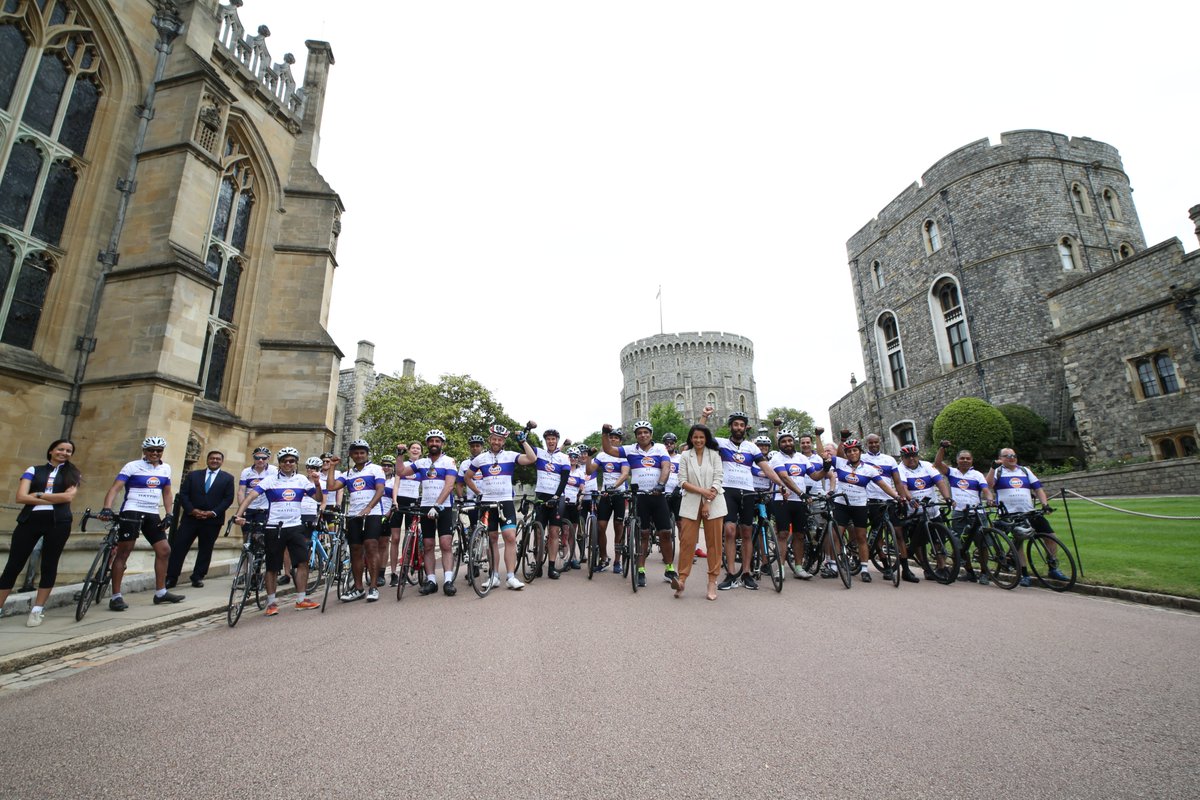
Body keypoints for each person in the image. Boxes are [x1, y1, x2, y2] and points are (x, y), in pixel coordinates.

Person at [697, 407, 804, 591]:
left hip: (748, 491)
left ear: (745, 428)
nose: (738, 427)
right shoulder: (722, 444)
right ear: (731, 426)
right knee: (730, 530)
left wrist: (781, 484)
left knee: (747, 532)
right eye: (736, 424)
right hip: (728, 490)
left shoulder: (751, 447)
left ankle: (746, 573)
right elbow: (699, 434)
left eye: (742, 425)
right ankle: (731, 573)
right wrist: (705, 416)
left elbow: (767, 468)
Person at [232, 447, 323, 614]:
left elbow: (317, 498)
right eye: (284, 461)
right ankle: (271, 603)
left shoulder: (302, 480)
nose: (288, 464)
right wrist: (239, 514)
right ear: (279, 463)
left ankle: (301, 599)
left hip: (295, 526)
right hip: (274, 527)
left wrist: (316, 483)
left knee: (302, 562)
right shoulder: (270, 480)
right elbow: (250, 496)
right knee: (272, 567)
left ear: (296, 463)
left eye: (291, 461)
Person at [0, 440, 80, 626]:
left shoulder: (73, 473)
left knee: (49, 564)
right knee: (13, 565)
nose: (64, 453)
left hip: (58, 522)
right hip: (30, 521)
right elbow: (20, 497)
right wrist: (54, 499)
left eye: (68, 451)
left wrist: (37, 495)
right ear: (51, 450)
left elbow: (68, 497)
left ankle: (37, 610)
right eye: (60, 449)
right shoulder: (34, 470)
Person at [99, 436, 184, 609]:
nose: (154, 453)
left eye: (158, 450)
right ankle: (116, 596)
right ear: (144, 451)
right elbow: (115, 488)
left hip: (152, 513)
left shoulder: (165, 468)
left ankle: (161, 593)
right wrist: (107, 507)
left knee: (164, 550)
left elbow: (167, 493)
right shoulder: (132, 466)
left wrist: (169, 514)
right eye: (151, 450)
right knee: (124, 552)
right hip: (132, 510)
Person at [601, 420, 675, 588]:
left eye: (646, 432)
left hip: (658, 495)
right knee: (644, 534)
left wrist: (661, 484)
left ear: (651, 434)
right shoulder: (630, 449)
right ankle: (640, 569)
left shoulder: (660, 449)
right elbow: (608, 449)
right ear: (636, 436)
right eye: (639, 433)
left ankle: (670, 568)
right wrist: (605, 433)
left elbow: (666, 466)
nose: (643, 435)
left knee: (665, 533)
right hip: (640, 497)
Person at [464, 423, 538, 590]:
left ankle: (511, 576)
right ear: (490, 439)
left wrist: (523, 441)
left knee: (510, 537)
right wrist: (478, 492)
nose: (496, 442)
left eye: (500, 440)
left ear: (504, 442)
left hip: (505, 501)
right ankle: (494, 575)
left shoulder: (511, 456)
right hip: (487, 503)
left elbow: (532, 459)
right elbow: (468, 477)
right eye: (494, 439)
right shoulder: (480, 458)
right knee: (491, 539)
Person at [826, 438, 903, 582]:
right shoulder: (840, 463)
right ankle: (834, 567)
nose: (852, 453)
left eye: (855, 450)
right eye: (849, 451)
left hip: (859, 505)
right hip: (841, 505)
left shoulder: (869, 469)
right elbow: (823, 455)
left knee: (861, 537)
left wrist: (897, 496)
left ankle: (864, 569)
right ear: (846, 453)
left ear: (860, 452)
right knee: (837, 536)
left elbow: (883, 485)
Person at [987, 447, 1066, 586]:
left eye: (1013, 455)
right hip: (1010, 514)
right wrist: (993, 468)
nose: (1011, 457)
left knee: (1051, 537)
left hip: (1029, 511)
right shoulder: (998, 471)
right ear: (1000, 458)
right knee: (1019, 543)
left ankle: (1053, 567)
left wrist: (1045, 504)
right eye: (1007, 456)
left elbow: (1038, 488)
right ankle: (1024, 573)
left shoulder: (1024, 471)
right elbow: (988, 485)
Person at [326, 440, 386, 601]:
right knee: (355, 550)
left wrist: (368, 507)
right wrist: (332, 466)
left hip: (373, 513)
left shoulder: (376, 469)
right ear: (351, 455)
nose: (359, 455)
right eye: (356, 453)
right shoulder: (347, 474)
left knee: (371, 546)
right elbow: (331, 487)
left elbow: (380, 490)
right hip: (353, 515)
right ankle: (358, 588)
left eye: (362, 453)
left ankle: (373, 587)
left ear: (367, 454)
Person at [401, 430, 458, 596]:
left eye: (437, 441)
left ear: (442, 444)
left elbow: (449, 486)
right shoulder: (421, 463)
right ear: (427, 444)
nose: (434, 443)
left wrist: (437, 505)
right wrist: (399, 455)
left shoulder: (449, 461)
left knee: (446, 544)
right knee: (428, 545)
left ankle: (448, 580)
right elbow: (401, 472)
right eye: (431, 441)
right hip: (426, 506)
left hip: (444, 506)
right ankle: (431, 580)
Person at [166, 450, 235, 589]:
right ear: (207, 460)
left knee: (206, 549)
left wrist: (213, 513)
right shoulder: (193, 475)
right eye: (212, 458)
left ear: (222, 461)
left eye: (217, 459)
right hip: (191, 518)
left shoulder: (228, 478)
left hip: (212, 521)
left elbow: (228, 499)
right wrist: (192, 510)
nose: (214, 461)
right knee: (179, 547)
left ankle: (197, 577)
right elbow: (184, 494)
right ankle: (171, 577)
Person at [674, 424, 726, 600]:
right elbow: (682, 481)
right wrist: (703, 492)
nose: (698, 440)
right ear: (690, 438)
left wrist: (708, 500)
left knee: (714, 544)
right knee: (687, 542)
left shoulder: (714, 455)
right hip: (690, 503)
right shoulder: (685, 456)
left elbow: (718, 478)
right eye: (695, 437)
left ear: (707, 438)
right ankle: (681, 580)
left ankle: (712, 582)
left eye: (701, 437)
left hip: (714, 502)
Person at [933, 441, 994, 583]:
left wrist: (990, 499)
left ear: (972, 460)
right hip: (959, 513)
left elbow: (986, 490)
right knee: (959, 545)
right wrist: (942, 448)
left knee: (982, 544)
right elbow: (937, 462)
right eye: (962, 458)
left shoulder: (977, 474)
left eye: (968, 458)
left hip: (976, 512)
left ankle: (985, 572)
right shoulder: (952, 472)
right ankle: (969, 572)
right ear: (957, 460)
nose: (965, 460)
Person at [895, 443, 951, 582]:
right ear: (902, 457)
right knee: (918, 542)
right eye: (908, 456)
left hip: (932, 509)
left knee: (939, 540)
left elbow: (940, 482)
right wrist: (910, 498)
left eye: (914, 455)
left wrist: (947, 498)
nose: (912, 459)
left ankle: (941, 567)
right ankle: (926, 568)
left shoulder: (927, 465)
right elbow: (903, 486)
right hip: (915, 511)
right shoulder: (900, 469)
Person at [768, 430, 821, 579]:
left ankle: (798, 567)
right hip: (781, 500)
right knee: (783, 534)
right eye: (784, 441)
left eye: (790, 441)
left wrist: (827, 467)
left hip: (799, 502)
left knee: (799, 534)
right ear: (779, 444)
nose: (787, 444)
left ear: (794, 442)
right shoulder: (776, 458)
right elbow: (784, 478)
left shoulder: (802, 458)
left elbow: (815, 476)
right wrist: (801, 493)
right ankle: (781, 568)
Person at [584, 428, 630, 574]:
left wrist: (614, 486)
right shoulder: (602, 456)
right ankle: (604, 558)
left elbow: (625, 474)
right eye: (611, 437)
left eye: (616, 438)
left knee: (619, 527)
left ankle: (618, 560)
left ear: (620, 441)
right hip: (605, 496)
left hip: (619, 494)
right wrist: (589, 457)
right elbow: (589, 471)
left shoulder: (623, 456)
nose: (613, 440)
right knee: (600, 527)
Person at [532, 428, 571, 579]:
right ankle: (538, 565)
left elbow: (564, 479)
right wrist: (525, 432)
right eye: (548, 439)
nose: (551, 441)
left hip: (556, 497)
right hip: (541, 495)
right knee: (539, 533)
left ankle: (552, 567)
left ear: (557, 441)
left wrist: (557, 495)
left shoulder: (563, 457)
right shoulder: (539, 453)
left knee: (554, 533)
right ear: (545, 441)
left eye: (553, 439)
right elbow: (524, 445)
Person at [388, 442, 422, 586]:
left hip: (413, 503)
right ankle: (394, 572)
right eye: (413, 448)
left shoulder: (422, 466)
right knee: (395, 538)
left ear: (421, 452)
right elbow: (396, 484)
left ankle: (405, 570)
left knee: (410, 537)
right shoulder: (402, 465)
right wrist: (394, 500)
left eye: (418, 448)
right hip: (399, 502)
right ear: (409, 450)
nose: (415, 450)